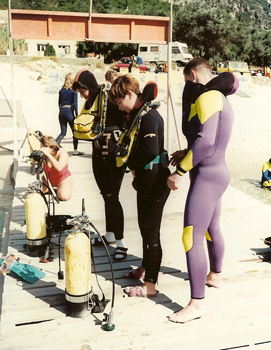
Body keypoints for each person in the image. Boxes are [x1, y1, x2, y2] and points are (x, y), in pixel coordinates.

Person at [167, 57, 239, 323]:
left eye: (187, 81)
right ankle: (215, 276)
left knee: (191, 236)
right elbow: (212, 141)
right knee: (211, 229)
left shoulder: (207, 97)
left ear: (194, 75)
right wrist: (186, 153)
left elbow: (206, 143)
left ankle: (196, 304)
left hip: (207, 178)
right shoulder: (221, 98)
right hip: (218, 173)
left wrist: (179, 172)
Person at [109, 74, 171, 297]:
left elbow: (151, 151)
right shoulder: (139, 115)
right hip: (146, 180)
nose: (120, 108)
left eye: (120, 102)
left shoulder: (149, 117)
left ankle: (150, 285)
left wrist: (129, 162)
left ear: (129, 94)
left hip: (155, 181)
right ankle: (145, 269)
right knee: (145, 229)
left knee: (151, 233)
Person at [72, 69, 128, 261]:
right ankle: (110, 235)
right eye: (79, 92)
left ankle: (121, 243)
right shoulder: (91, 101)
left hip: (112, 153)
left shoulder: (109, 98)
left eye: (83, 91)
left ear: (90, 86)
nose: (82, 95)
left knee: (112, 196)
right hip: (98, 152)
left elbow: (125, 120)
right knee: (106, 195)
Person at [56, 72, 83, 156]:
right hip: (69, 113)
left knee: (63, 133)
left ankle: (54, 146)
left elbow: (59, 103)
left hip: (61, 112)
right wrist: (77, 115)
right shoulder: (73, 91)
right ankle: (75, 151)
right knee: (75, 132)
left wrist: (61, 110)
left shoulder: (61, 90)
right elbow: (75, 104)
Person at [40, 135, 72, 201]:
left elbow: (59, 168)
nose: (42, 149)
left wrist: (48, 155)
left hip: (62, 178)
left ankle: (62, 188)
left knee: (64, 197)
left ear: (51, 147)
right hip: (48, 179)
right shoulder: (43, 155)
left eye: (44, 147)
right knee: (35, 192)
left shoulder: (62, 153)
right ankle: (53, 190)